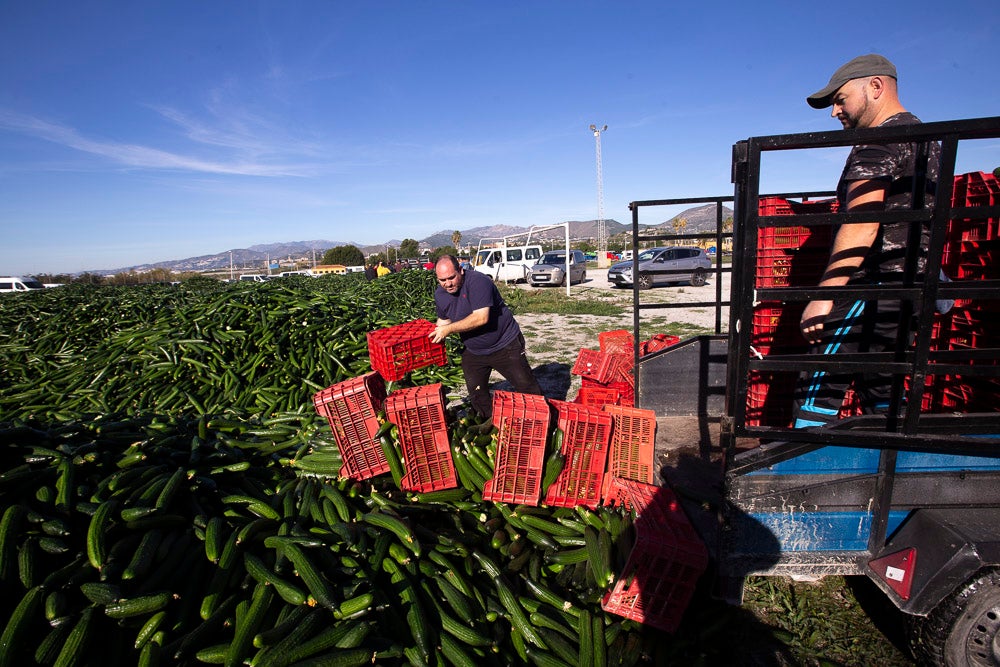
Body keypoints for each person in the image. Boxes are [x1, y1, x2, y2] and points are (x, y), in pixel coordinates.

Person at [793, 54, 941, 428]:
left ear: (875, 87)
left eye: (840, 99)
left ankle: (800, 472)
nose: (834, 111)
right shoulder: (923, 138)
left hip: (871, 286)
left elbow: (863, 223)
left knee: (818, 387)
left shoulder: (880, 142)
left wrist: (825, 296)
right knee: (883, 388)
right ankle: (890, 473)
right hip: (906, 288)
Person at [430, 254, 543, 420]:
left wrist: (448, 330)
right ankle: (491, 423)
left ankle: (543, 421)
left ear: (461, 270)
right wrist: (431, 334)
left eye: (451, 278)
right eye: (442, 280)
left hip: (505, 344)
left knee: (526, 387)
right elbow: (443, 321)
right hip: (474, 350)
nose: (448, 284)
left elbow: (481, 317)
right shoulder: (440, 294)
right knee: (477, 394)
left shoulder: (478, 282)